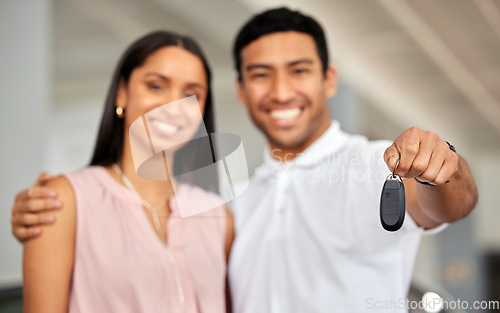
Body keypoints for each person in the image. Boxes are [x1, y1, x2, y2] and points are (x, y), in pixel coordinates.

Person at [11, 7, 477, 313]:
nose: (279, 91)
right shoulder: (238, 201)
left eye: (298, 71)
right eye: (260, 74)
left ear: (328, 80)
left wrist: (447, 168)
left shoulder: (376, 166)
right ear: (240, 91)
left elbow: (448, 204)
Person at [18, 30, 234, 313]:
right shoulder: (63, 201)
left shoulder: (218, 218)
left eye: (191, 95)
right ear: (122, 92)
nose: (173, 107)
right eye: (157, 86)